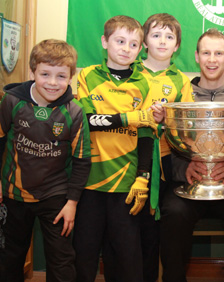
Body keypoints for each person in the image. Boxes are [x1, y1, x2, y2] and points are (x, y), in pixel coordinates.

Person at [153, 28, 224, 282]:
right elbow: (168, 143)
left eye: (218, 53)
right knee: (173, 213)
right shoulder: (179, 99)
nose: (212, 59)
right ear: (196, 57)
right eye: (206, 53)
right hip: (188, 185)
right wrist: (183, 169)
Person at [0, 39, 91, 282]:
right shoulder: (11, 101)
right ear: (32, 72)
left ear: (71, 76)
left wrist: (72, 202)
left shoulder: (75, 111)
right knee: (10, 257)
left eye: (61, 76)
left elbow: (82, 161)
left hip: (56, 198)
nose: (52, 82)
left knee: (61, 261)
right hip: (14, 194)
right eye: (45, 74)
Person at [73, 15, 154, 282]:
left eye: (133, 44)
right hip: (90, 181)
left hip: (126, 183)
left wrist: (143, 175)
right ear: (105, 42)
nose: (126, 48)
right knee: (84, 254)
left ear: (141, 49)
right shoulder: (87, 75)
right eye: (120, 41)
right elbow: (85, 122)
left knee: (127, 258)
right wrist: (125, 118)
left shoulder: (144, 83)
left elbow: (146, 135)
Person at [138, 13, 194, 281]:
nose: (162, 41)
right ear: (145, 41)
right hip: (130, 162)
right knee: (136, 232)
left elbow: (186, 130)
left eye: (169, 36)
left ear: (177, 45)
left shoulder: (181, 81)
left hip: (165, 162)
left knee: (160, 229)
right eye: (156, 35)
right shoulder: (131, 71)